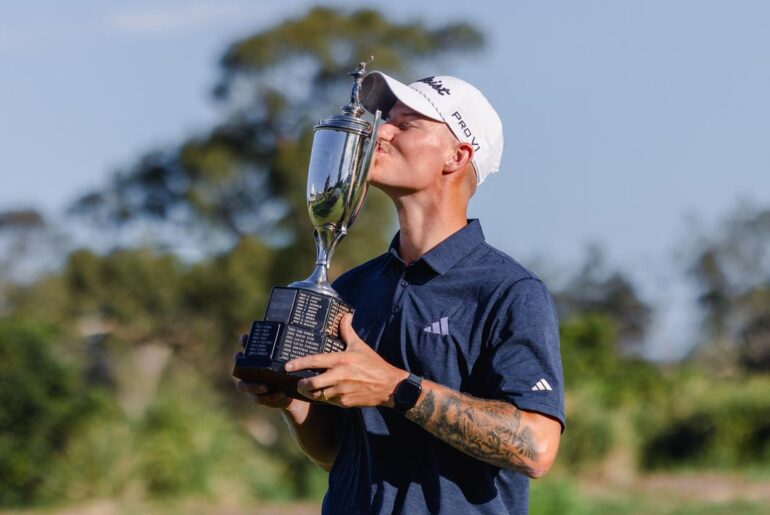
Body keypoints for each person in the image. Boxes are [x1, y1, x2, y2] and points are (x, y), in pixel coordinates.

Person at [236, 71, 565, 514]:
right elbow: (336, 453)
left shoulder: (510, 292)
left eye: (405, 124)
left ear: (456, 156)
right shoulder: (353, 287)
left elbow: (536, 447)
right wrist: (291, 400)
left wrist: (395, 388)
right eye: (386, 119)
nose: (381, 132)